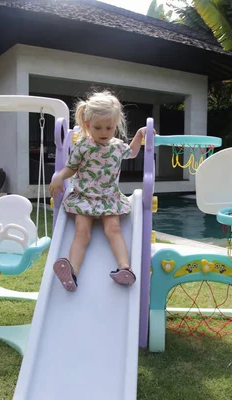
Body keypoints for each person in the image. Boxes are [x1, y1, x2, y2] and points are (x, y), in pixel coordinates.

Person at [49, 90, 149, 292]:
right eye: (98, 127)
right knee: (82, 231)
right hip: (84, 198)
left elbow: (133, 153)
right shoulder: (83, 146)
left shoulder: (117, 146)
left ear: (115, 125)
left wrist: (139, 135)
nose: (104, 132)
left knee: (113, 229)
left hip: (108, 198)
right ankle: (72, 272)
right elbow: (72, 167)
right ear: (87, 125)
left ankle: (124, 268)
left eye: (109, 127)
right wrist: (60, 176)